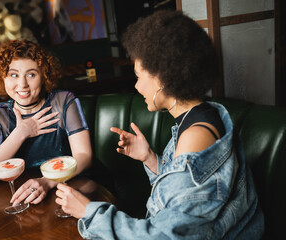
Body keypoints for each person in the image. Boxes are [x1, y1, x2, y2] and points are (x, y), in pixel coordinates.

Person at [54, 10, 264, 239]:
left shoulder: (195, 137)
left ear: (163, 77)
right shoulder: (200, 116)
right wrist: (150, 158)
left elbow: (167, 235)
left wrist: (88, 212)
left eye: (138, 76)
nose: (136, 86)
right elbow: (186, 197)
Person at [0, 39, 92, 207]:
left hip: (71, 190)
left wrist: (48, 181)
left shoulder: (63, 100)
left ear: (43, 76)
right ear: (3, 77)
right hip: (25, 197)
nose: (22, 84)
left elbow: (85, 157)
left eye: (31, 74)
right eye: (13, 74)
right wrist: (21, 132)